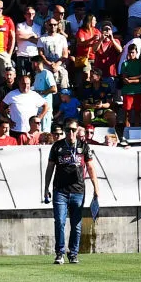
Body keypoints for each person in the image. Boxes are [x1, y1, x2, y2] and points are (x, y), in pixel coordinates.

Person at [47, 113, 94, 265]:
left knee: (76, 225)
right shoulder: (57, 146)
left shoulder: (84, 146)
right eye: (68, 130)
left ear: (78, 130)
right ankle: (59, 253)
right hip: (60, 190)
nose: (71, 133)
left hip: (78, 190)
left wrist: (96, 189)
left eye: (73, 130)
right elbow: (49, 168)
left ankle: (73, 253)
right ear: (64, 131)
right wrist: (46, 187)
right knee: (59, 222)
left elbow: (91, 168)